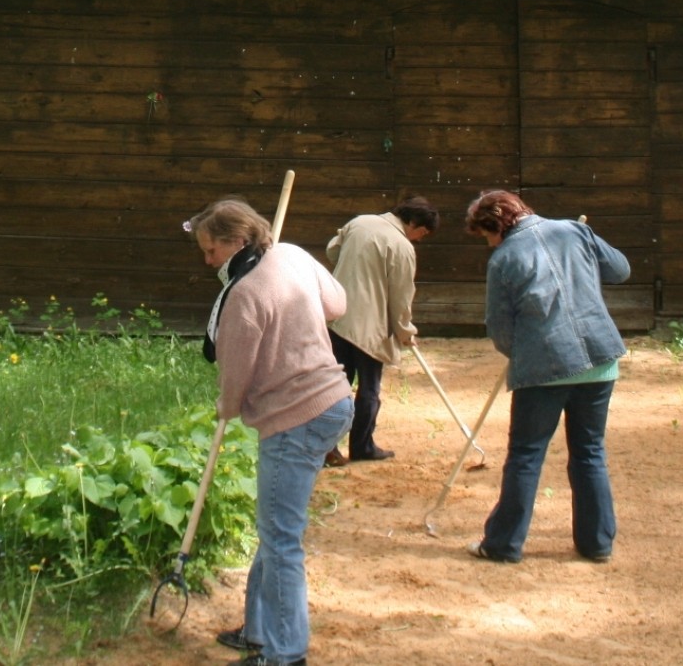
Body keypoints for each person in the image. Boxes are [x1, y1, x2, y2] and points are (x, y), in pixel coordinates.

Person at [190, 198, 353, 666]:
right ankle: (259, 631)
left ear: (235, 242)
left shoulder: (244, 295)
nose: (208, 261)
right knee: (276, 528)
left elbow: (234, 374)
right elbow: (336, 306)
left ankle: (285, 654)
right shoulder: (293, 255)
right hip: (336, 403)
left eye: (211, 251)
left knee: (281, 538)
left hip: (295, 419)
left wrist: (227, 408)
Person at [464, 189, 630, 565]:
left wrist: (519, 354)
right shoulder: (574, 232)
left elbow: (499, 327)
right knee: (589, 452)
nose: (488, 243)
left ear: (497, 226)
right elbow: (620, 270)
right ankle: (597, 544)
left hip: (543, 367)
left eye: (487, 235)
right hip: (600, 359)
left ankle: (503, 544)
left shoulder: (503, 258)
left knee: (525, 455)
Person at [322, 196, 439, 464]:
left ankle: (328, 448)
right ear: (414, 222)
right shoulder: (402, 246)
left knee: (334, 385)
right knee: (369, 388)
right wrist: (404, 330)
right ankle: (362, 447)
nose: (419, 239)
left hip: (336, 316)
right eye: (422, 233)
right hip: (369, 326)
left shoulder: (359, 222)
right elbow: (401, 296)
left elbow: (332, 251)